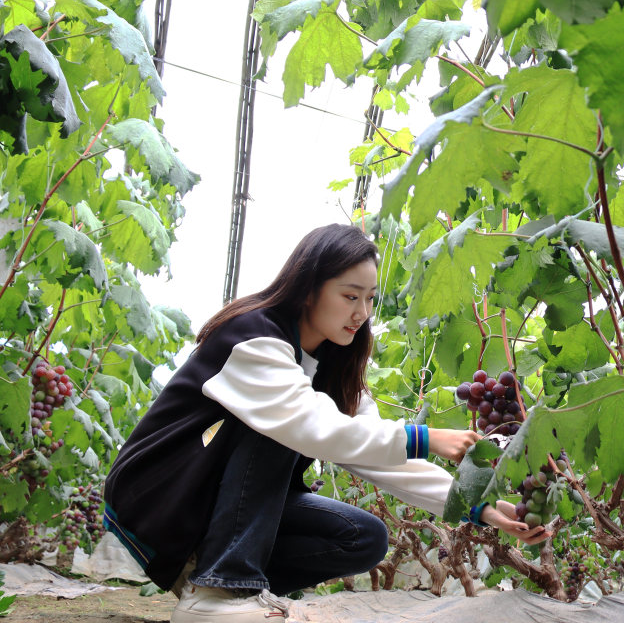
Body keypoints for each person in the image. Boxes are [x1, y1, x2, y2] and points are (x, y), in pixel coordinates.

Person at [103, 224, 547, 623]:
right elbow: (316, 428)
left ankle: (224, 585)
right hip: (157, 493)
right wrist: (425, 438)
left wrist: (486, 511)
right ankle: (219, 591)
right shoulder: (255, 338)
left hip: (205, 504)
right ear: (309, 288)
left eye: (370, 299)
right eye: (350, 296)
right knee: (284, 425)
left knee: (363, 537)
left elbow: (379, 456)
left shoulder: (332, 363)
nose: (362, 312)